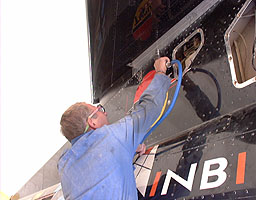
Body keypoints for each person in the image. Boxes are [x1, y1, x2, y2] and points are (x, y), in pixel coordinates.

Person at [58, 57, 171, 200]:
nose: (104, 112)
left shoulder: (66, 167)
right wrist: (160, 71)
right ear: (92, 122)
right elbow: (147, 108)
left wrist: (127, 149)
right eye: (99, 109)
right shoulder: (111, 137)